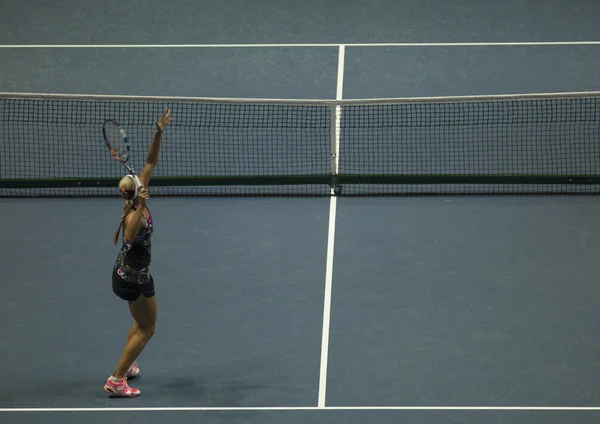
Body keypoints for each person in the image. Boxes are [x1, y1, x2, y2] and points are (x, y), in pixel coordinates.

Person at [103, 108, 173, 397]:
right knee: (148, 327)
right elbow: (130, 235)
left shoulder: (133, 198)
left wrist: (158, 133)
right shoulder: (136, 213)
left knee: (141, 321)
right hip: (134, 279)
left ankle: (127, 364)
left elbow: (150, 161)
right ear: (136, 191)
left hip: (124, 274)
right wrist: (142, 205)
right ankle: (117, 379)